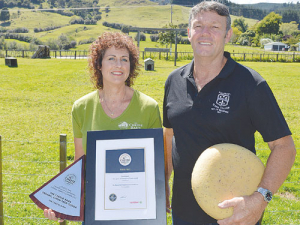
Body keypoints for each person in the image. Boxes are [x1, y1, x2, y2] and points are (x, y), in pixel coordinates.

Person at [163, 1, 296, 225]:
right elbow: (169, 135)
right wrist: (162, 182)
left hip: (235, 215)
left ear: (228, 35)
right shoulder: (173, 81)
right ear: (188, 33)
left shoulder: (251, 84)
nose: (205, 33)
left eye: (215, 27)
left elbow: (284, 147)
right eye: (198, 26)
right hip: (183, 211)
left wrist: (260, 199)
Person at [44, 31, 162, 222]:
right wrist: (65, 202)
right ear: (99, 64)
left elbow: (155, 166)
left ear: (131, 65)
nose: (118, 65)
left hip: (137, 211)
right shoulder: (81, 107)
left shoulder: (149, 107)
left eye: (124, 59)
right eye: (111, 58)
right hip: (96, 208)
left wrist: (159, 198)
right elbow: (80, 161)